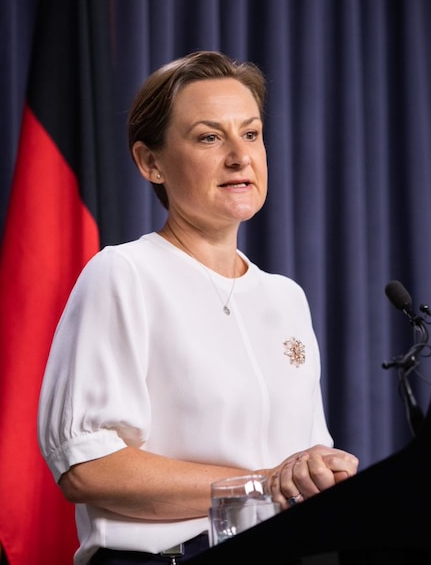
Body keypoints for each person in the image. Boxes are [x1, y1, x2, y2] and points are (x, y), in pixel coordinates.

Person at [38, 50, 359, 565]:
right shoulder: (125, 274)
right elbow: (87, 466)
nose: (240, 156)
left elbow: (303, 463)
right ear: (152, 163)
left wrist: (318, 470)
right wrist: (266, 484)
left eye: (251, 134)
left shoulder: (286, 298)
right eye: (210, 137)